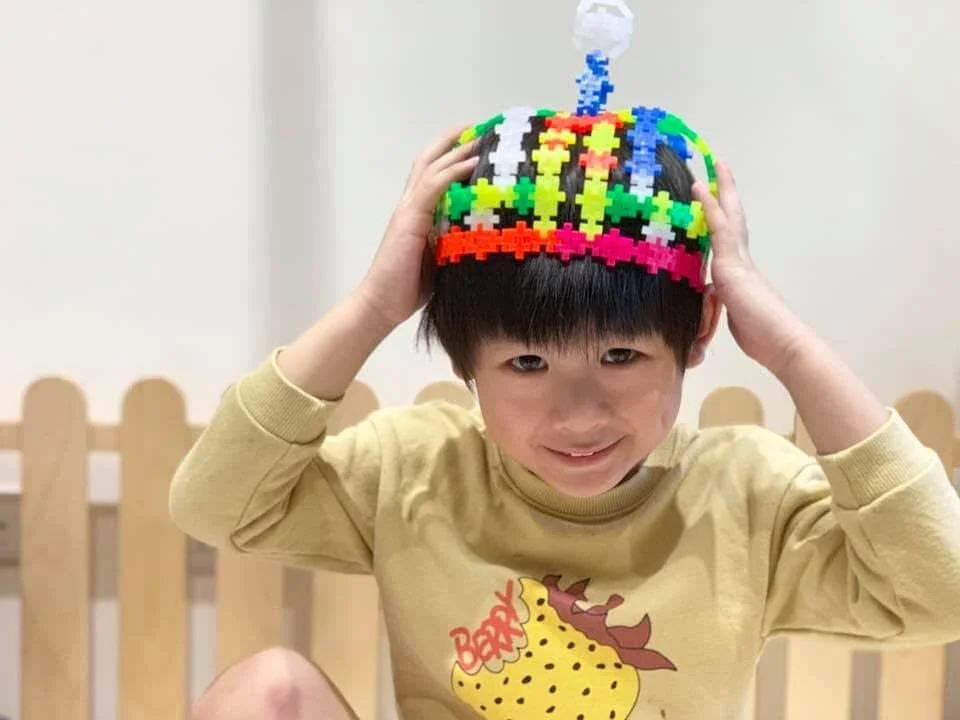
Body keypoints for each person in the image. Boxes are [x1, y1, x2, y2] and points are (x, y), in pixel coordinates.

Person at [169, 94, 960, 720]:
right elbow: (215, 504)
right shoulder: (414, 470)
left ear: (697, 333)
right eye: (527, 363)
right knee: (267, 692)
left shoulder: (749, 496)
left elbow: (942, 593)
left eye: (620, 357)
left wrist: (789, 346)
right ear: (464, 362)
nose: (579, 415)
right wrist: (374, 306)